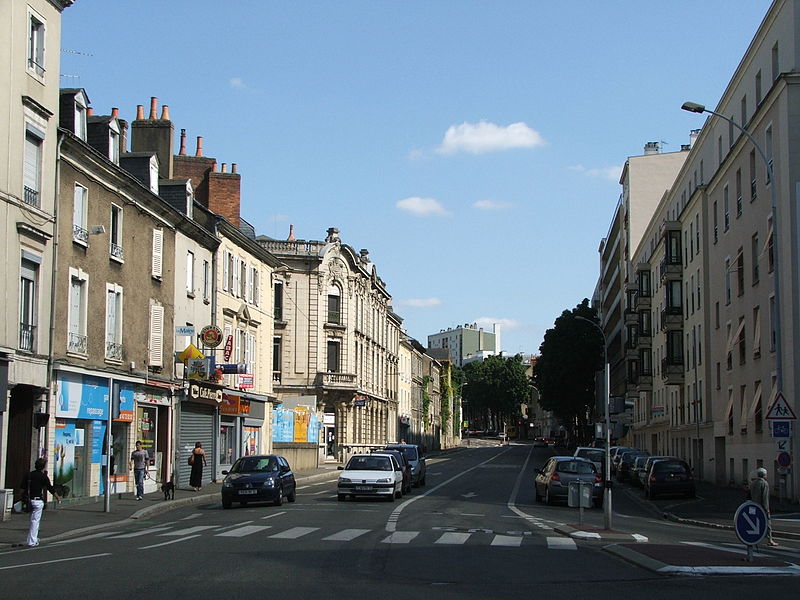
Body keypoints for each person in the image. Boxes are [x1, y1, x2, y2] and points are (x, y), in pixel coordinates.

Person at [22, 458, 60, 547]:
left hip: (29, 500)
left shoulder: (29, 475)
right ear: (43, 467)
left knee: (32, 520)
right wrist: (57, 497)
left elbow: (22, 488)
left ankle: (30, 539)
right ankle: (32, 541)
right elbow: (50, 488)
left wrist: (22, 498)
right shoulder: (43, 476)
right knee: (35, 521)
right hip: (38, 500)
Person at [750, 467, 779, 546]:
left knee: (754, 523)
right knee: (767, 523)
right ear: (764, 475)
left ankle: (752, 540)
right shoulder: (764, 483)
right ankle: (770, 540)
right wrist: (767, 509)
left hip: (754, 506)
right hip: (762, 507)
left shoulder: (753, 483)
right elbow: (765, 497)